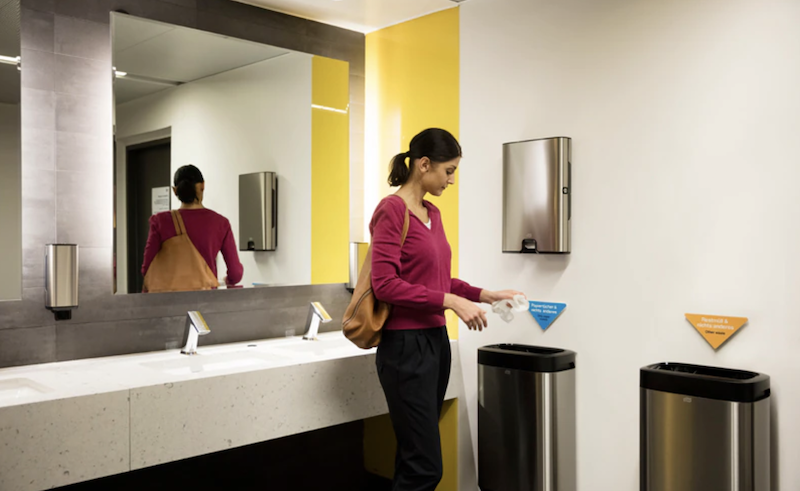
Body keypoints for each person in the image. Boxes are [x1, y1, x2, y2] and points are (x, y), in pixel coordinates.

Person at [370, 128, 524, 490]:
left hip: (434, 345)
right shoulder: (391, 210)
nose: (451, 180)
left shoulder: (432, 214)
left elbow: (439, 279)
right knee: (426, 468)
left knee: (414, 459)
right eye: (448, 170)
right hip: (405, 349)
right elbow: (385, 284)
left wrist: (487, 295)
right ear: (424, 165)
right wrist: (451, 302)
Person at [141, 165, 243, 291]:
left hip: (168, 301)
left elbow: (146, 268)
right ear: (202, 186)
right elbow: (236, 273)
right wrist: (227, 280)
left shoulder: (160, 221)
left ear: (174, 190)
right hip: (206, 299)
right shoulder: (221, 223)